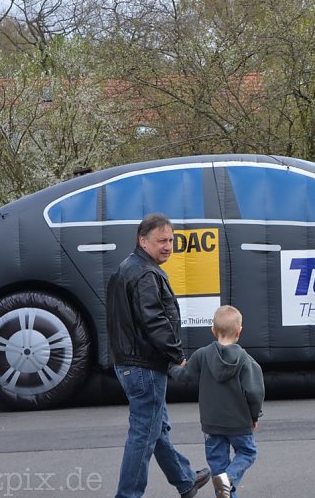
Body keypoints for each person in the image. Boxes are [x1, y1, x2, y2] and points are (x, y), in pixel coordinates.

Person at [106, 213, 211, 498]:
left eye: (171, 240)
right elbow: (155, 322)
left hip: (129, 363)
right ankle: (127, 495)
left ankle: (185, 480)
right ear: (143, 240)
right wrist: (178, 356)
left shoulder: (129, 267)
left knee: (155, 427)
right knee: (143, 433)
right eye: (161, 240)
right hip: (144, 366)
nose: (168, 245)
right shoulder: (145, 274)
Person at [171, 305, 265, 498]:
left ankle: (224, 482)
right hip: (239, 423)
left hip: (212, 425)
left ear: (213, 330)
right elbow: (255, 392)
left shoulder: (201, 355)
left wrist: (172, 367)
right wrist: (254, 416)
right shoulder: (246, 361)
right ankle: (229, 477)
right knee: (247, 453)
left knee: (218, 466)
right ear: (239, 331)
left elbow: (183, 376)